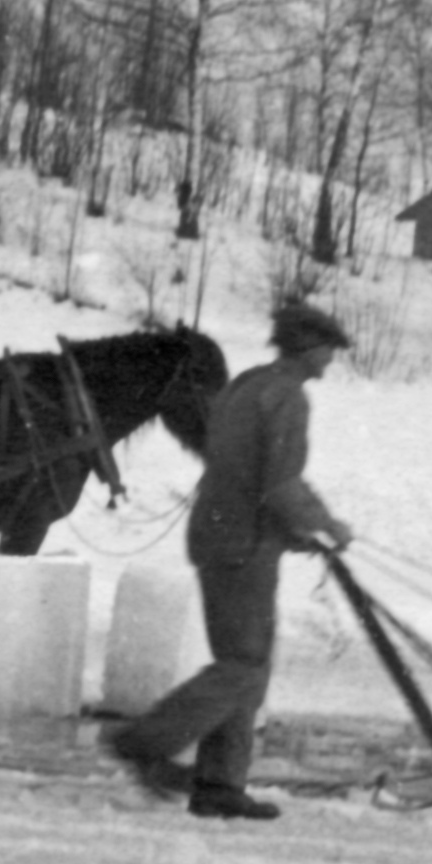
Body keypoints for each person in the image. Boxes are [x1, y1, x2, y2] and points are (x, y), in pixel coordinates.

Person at [106, 296, 355, 822]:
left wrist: (296, 531)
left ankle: (220, 785)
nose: (331, 360)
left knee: (244, 664)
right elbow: (280, 482)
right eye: (329, 350)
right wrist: (326, 525)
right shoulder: (287, 397)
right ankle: (146, 742)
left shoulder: (246, 385)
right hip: (243, 546)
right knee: (244, 664)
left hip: (219, 535)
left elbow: (242, 472)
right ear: (309, 347)